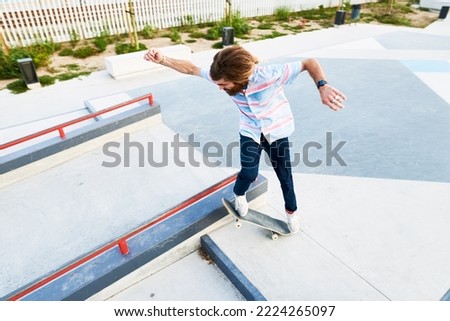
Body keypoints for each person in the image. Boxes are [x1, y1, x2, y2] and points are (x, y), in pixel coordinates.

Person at [144, 45, 346, 233]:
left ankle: (291, 213)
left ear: (239, 78)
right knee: (249, 173)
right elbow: (191, 68)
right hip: (250, 131)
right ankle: (239, 195)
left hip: (276, 132)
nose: (220, 88)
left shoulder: (270, 75)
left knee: (285, 177)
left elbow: (309, 62)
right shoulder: (220, 76)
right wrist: (163, 59)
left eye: (224, 84)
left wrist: (322, 85)